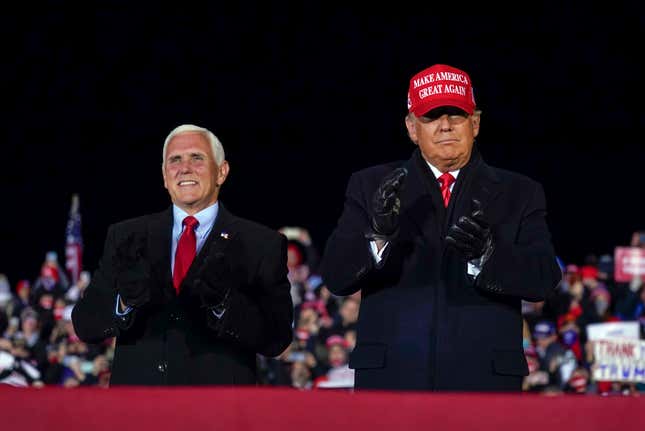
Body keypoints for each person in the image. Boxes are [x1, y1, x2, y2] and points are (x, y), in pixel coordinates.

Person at [319, 64, 562, 391]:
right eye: (432, 117)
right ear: (411, 127)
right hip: (392, 380)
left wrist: (488, 256)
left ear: (475, 123)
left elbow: (544, 278)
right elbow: (336, 276)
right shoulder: (370, 186)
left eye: (456, 115)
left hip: (484, 384)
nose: (445, 126)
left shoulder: (520, 192)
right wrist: (377, 236)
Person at [72, 124, 293, 386]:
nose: (185, 168)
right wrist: (124, 302)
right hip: (138, 409)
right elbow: (86, 324)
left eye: (197, 158)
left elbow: (276, 338)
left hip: (218, 411)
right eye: (175, 160)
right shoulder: (126, 237)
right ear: (165, 176)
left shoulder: (260, 243)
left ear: (221, 172)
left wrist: (225, 306)